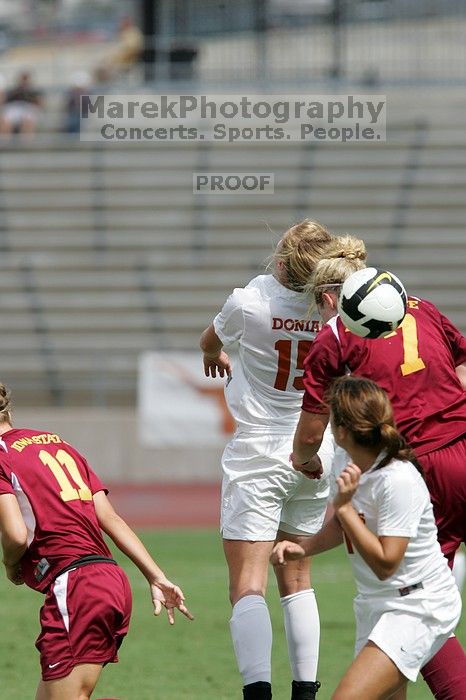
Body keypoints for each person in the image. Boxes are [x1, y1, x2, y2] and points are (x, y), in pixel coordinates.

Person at [289, 236, 466, 698]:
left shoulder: (335, 335)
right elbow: (462, 361)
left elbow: (310, 432)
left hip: (418, 461)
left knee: (418, 599)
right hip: (462, 445)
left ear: (329, 298)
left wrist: (302, 462)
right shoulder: (419, 304)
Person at [199, 219, 337, 700]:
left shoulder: (248, 303)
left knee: (247, 584)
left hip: (259, 447)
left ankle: (258, 695)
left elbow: (208, 343)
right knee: (298, 578)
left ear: (280, 262)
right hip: (315, 446)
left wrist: (218, 354)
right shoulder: (331, 311)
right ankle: (306, 693)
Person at [272, 376, 462, 700]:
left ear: (342, 430)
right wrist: (302, 549)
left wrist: (344, 509)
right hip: (375, 604)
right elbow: (346, 525)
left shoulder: (397, 479)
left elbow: (386, 563)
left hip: (415, 605)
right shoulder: (347, 461)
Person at [0, 383, 193, 700]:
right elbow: (111, 518)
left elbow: (16, 535)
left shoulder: (2, 456)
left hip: (76, 587)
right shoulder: (58, 444)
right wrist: (155, 576)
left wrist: (10, 565)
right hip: (109, 580)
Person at [0, 71, 44, 136]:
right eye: (23, 79)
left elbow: (39, 103)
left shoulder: (34, 91)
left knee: (29, 120)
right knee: (5, 120)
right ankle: (4, 143)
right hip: (15, 108)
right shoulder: (14, 90)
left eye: (25, 79)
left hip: (29, 108)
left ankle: (26, 144)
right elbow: (7, 101)